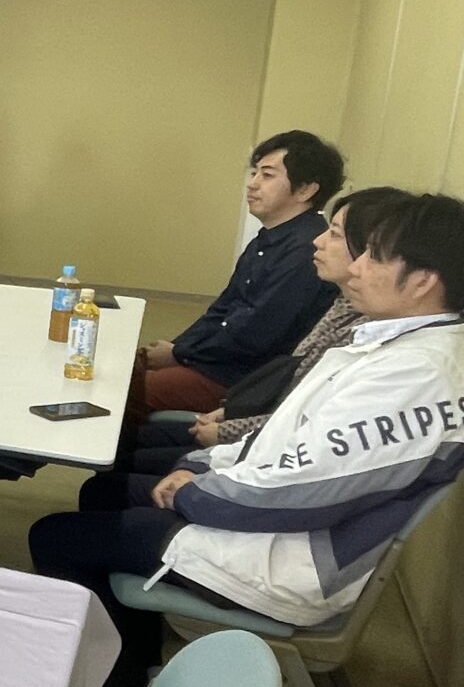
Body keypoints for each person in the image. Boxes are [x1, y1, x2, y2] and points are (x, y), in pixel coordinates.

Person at [29, 192, 464, 687]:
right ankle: (137, 659)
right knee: (104, 494)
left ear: (423, 280)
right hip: (273, 523)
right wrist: (203, 464)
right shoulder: (399, 344)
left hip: (284, 557)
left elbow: (299, 491)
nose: (355, 266)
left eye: (372, 255)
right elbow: (291, 441)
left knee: (56, 537)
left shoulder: (415, 375)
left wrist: (194, 491)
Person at [125, 187, 409, 477]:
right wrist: (181, 352)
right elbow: (223, 311)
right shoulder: (340, 302)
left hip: (248, 414)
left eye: (268, 174)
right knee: (132, 406)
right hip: (253, 411)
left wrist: (227, 422)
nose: (319, 241)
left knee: (129, 400)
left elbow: (294, 409)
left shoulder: (367, 331)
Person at [139, 130, 345, 413]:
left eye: (267, 175)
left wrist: (181, 354)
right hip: (221, 363)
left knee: (127, 391)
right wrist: (176, 348)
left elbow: (256, 334)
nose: (252, 184)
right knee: (120, 368)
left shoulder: (305, 251)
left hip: (243, 379)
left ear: (305, 190)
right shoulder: (269, 238)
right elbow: (223, 309)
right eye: (254, 173)